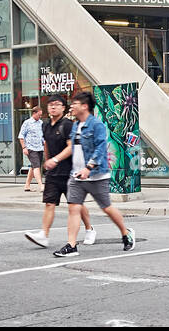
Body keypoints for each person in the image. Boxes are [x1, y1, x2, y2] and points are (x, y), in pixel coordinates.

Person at [51, 90, 137, 255]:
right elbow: (73, 148)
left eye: (75, 104)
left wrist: (88, 168)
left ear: (84, 106)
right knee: (73, 208)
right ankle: (71, 245)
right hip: (77, 176)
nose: (72, 107)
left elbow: (100, 149)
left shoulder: (96, 125)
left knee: (107, 208)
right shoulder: (76, 125)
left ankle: (126, 233)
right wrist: (55, 160)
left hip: (96, 175)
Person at [24, 95, 96, 251]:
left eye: (57, 104)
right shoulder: (45, 125)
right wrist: (47, 161)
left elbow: (71, 147)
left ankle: (89, 229)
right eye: (50, 104)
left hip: (70, 172)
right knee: (49, 203)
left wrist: (55, 160)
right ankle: (44, 235)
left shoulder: (68, 125)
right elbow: (46, 144)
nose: (53, 107)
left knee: (76, 205)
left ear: (64, 108)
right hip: (53, 173)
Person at [18, 106, 44, 192]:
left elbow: (42, 135)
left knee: (33, 166)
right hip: (31, 148)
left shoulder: (41, 123)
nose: (40, 117)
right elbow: (21, 136)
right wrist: (24, 147)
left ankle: (27, 185)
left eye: (41, 115)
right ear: (34, 113)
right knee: (36, 166)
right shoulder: (27, 123)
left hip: (40, 147)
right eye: (39, 115)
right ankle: (41, 185)